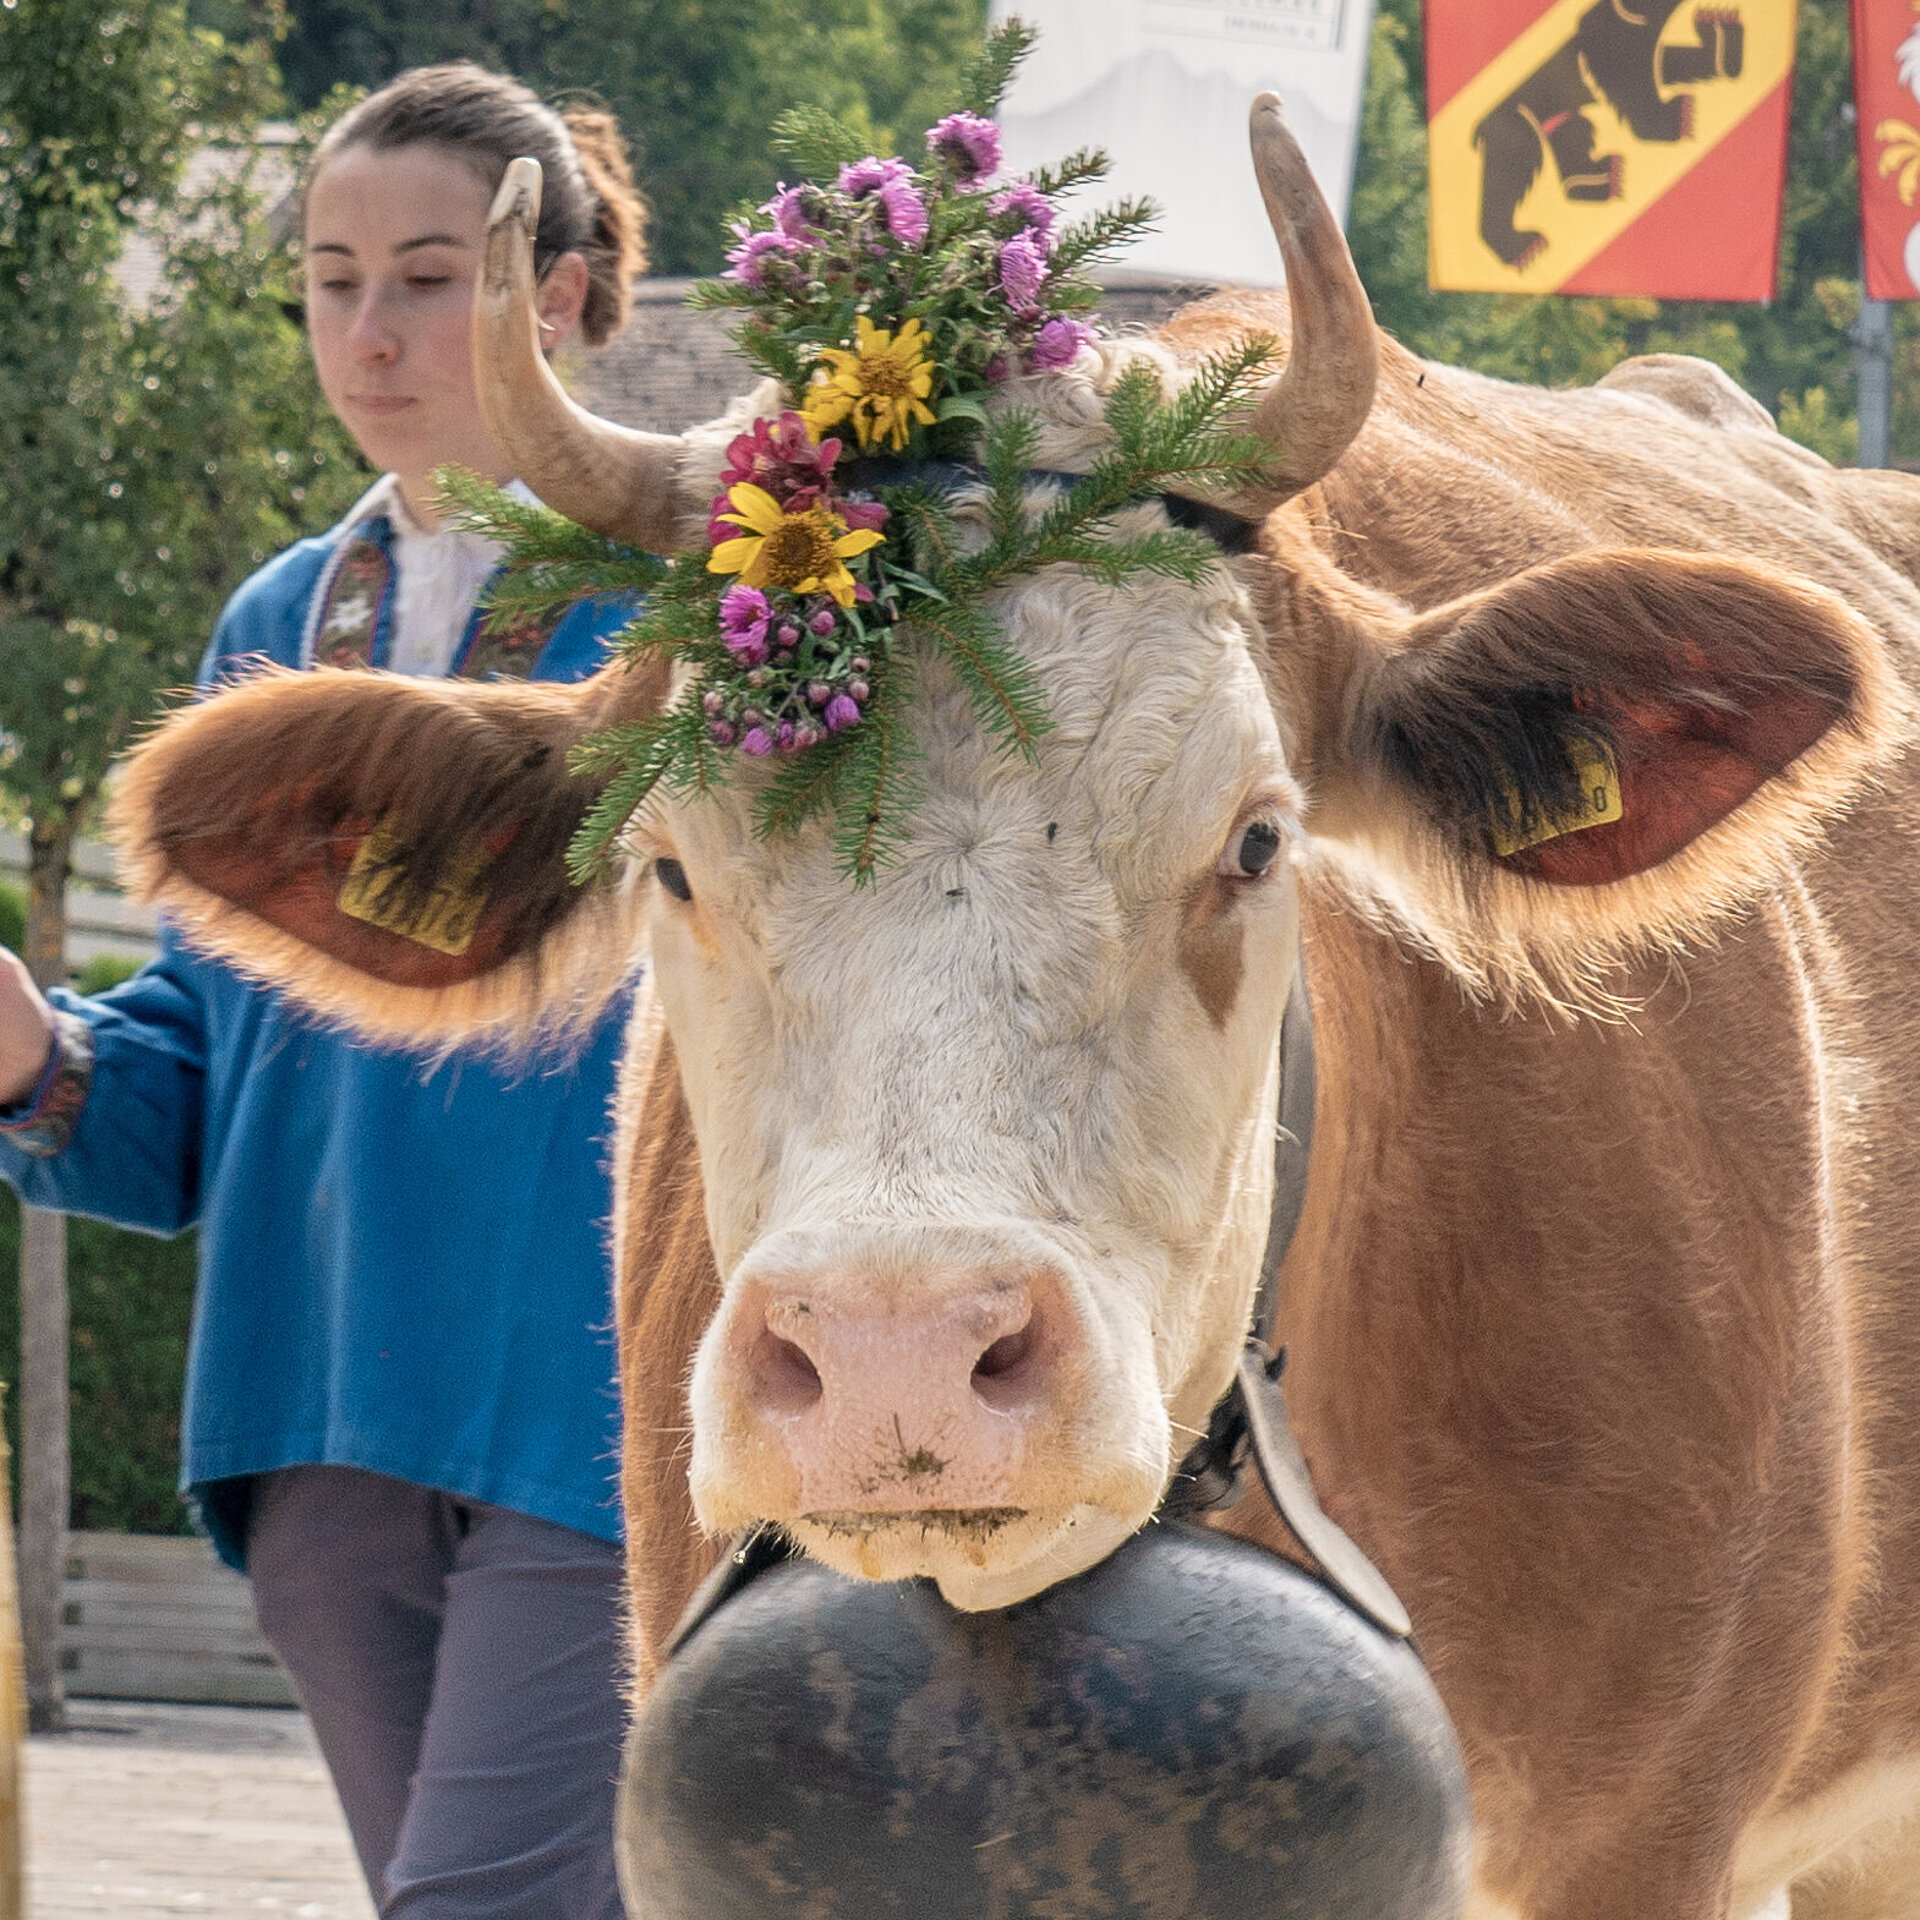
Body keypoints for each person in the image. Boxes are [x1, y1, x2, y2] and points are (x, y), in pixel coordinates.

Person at [0, 64, 648, 1918]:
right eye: (331, 277)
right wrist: (26, 1045)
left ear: (569, 294)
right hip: (317, 1407)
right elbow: (186, 1103)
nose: (370, 331)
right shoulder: (274, 628)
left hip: (592, 1400)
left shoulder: (718, 611)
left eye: (429, 275)